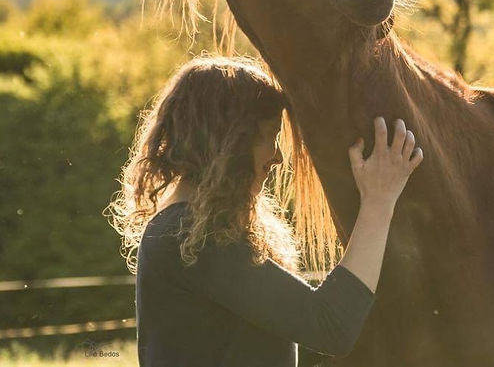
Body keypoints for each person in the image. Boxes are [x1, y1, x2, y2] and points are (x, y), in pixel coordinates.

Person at [106, 56, 423, 366]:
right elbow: (330, 326)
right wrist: (378, 202)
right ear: (230, 143)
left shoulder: (187, 231)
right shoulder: (188, 235)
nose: (278, 157)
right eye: (270, 137)